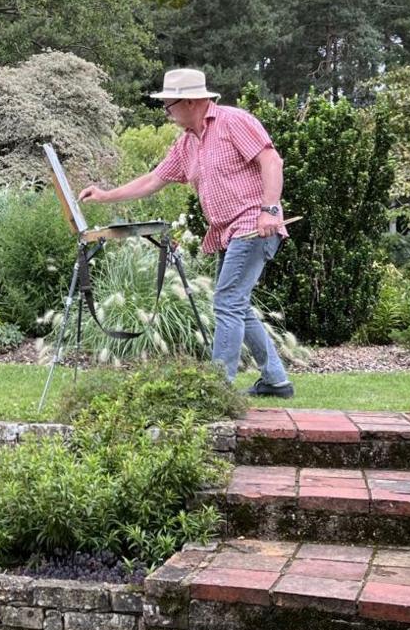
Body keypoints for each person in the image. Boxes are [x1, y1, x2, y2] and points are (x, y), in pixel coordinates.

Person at [78, 67, 294, 398]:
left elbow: (272, 161)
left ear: (191, 101)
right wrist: (105, 195)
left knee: (227, 302)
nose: (166, 112)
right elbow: (152, 181)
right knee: (236, 304)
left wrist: (270, 209)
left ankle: (215, 388)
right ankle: (276, 380)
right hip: (227, 232)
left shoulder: (233, 122)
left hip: (254, 225)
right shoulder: (186, 145)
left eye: (169, 105)